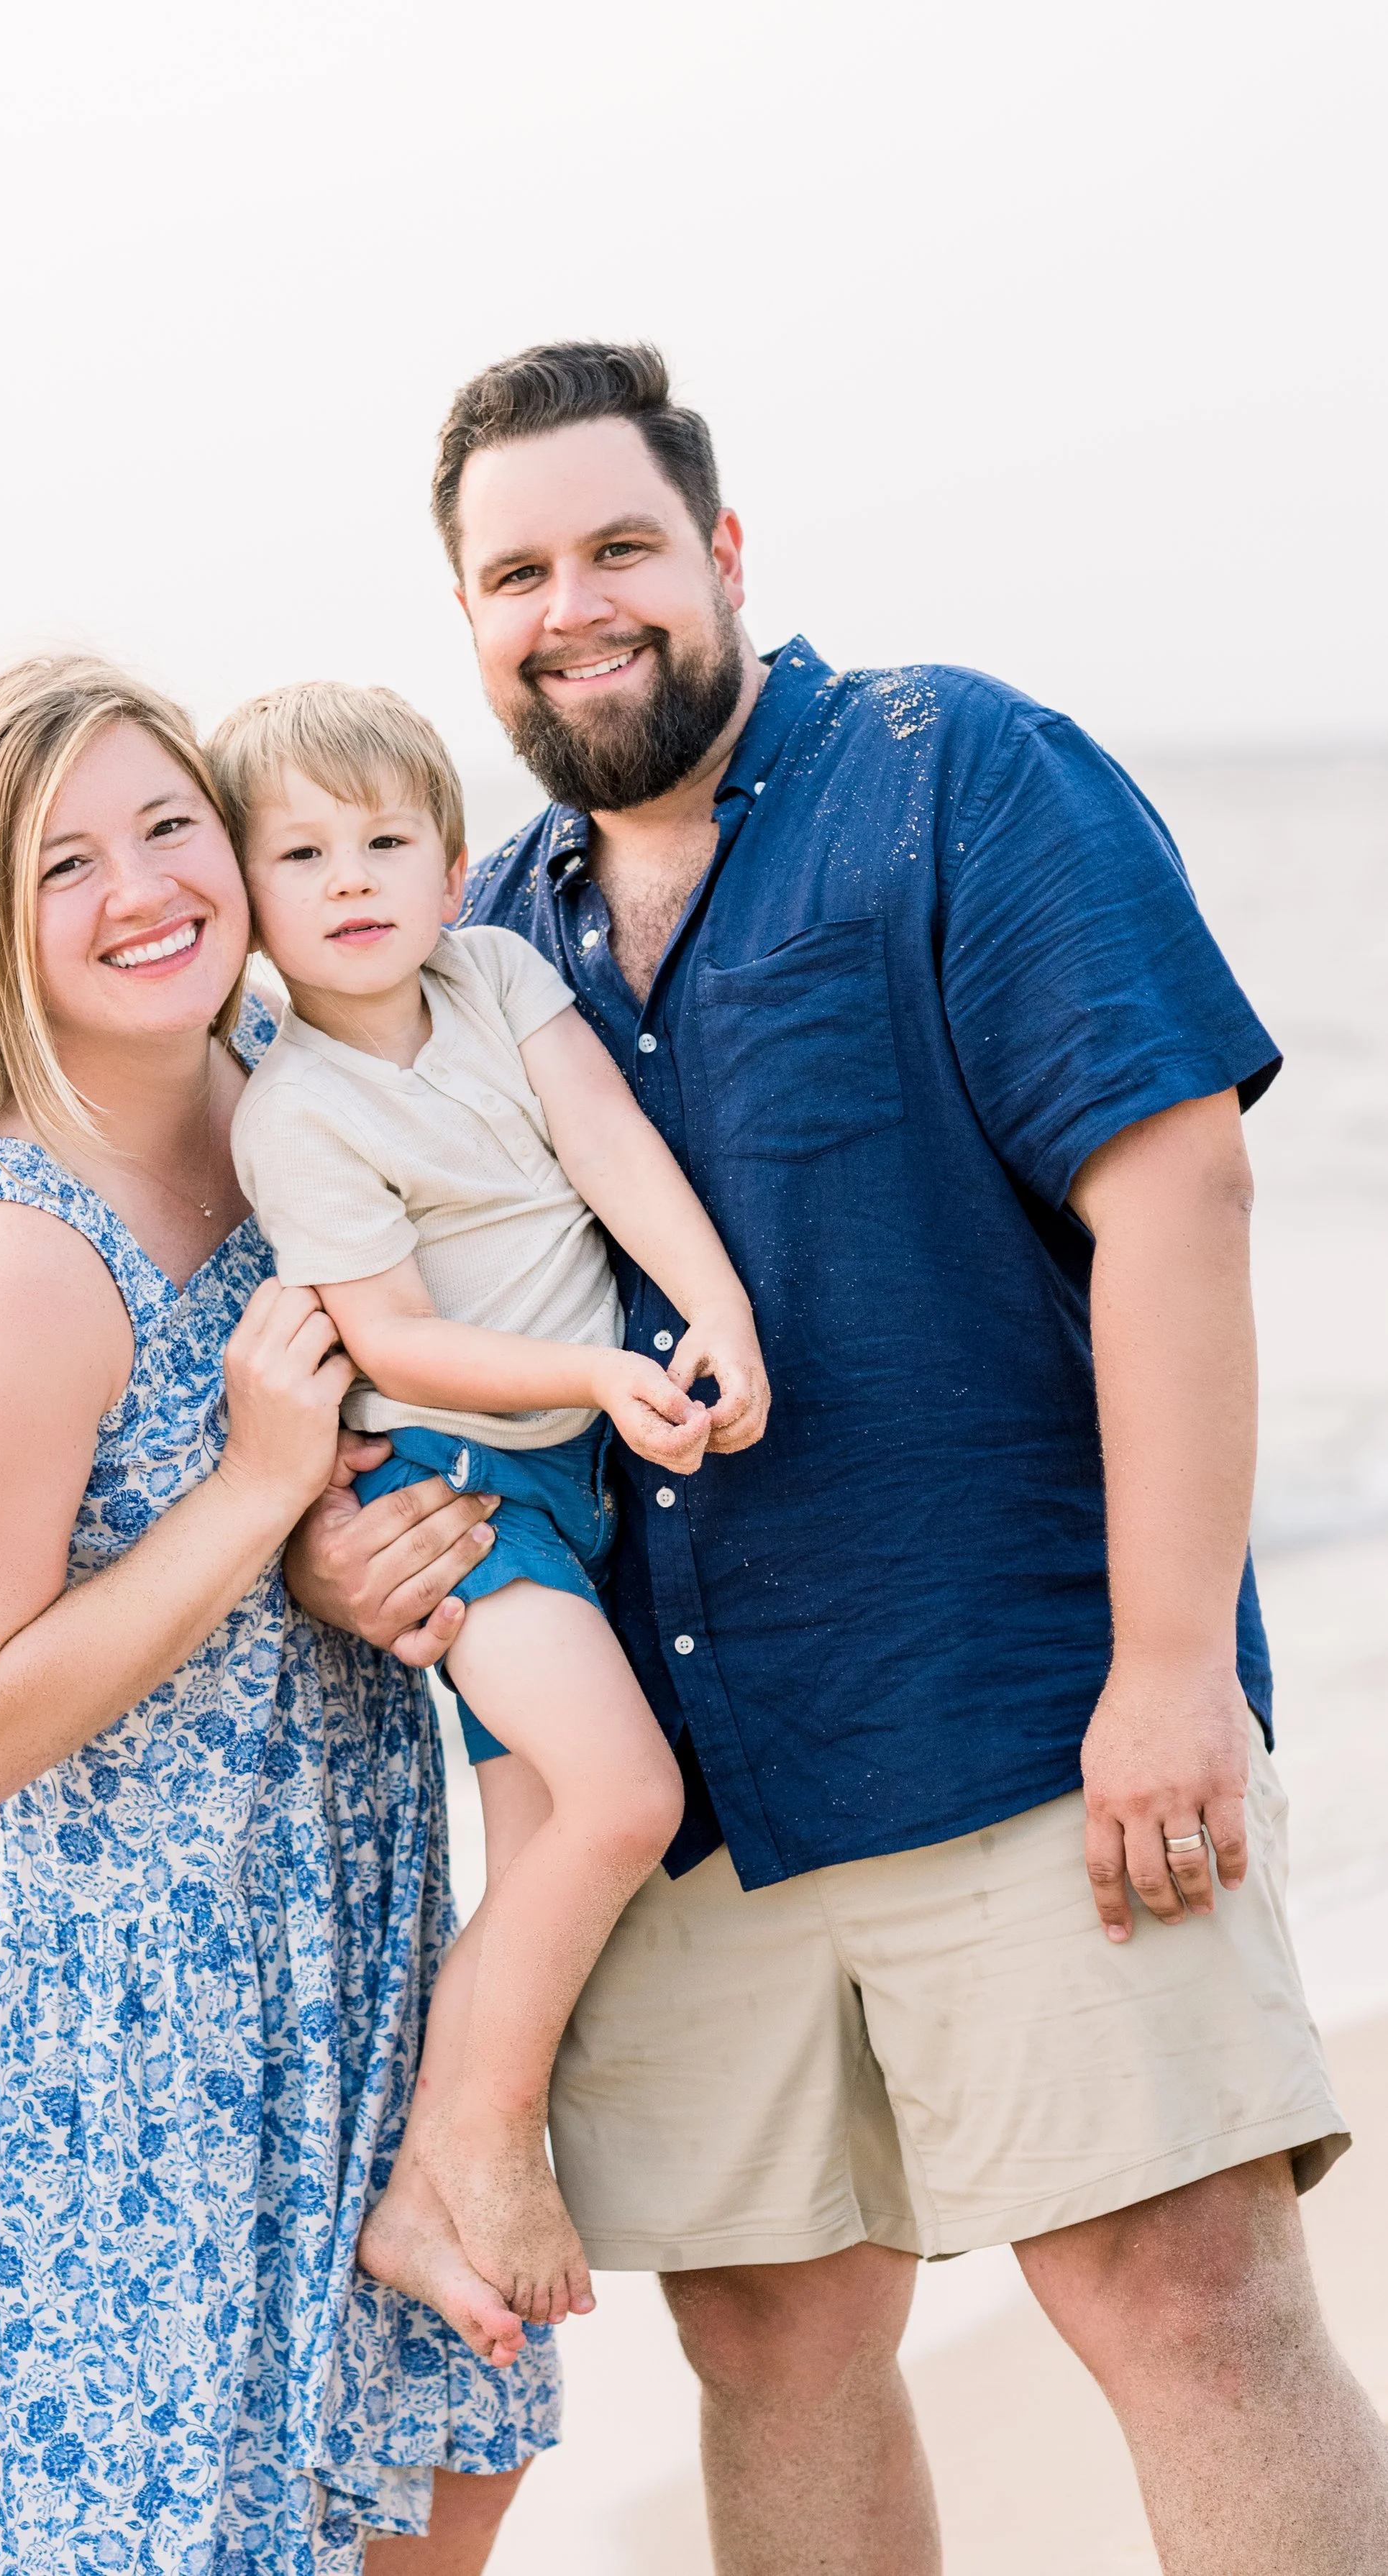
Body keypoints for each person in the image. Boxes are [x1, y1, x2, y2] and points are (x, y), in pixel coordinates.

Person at [288, 344, 1388, 2574]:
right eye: (514, 573)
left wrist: (1171, 1665)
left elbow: (1173, 1193)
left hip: (1021, 1718)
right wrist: (338, 1542)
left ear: (717, 550)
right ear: (470, 622)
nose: (570, 603)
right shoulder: (476, 932)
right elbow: (358, 1314)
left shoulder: (956, 771)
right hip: (693, 1788)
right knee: (773, 2344)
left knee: (1175, 2298)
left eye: (615, 546)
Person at [0, 657, 557, 2576]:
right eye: (65, 861)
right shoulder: (11, 1251)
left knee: (413, 2487)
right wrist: (250, 1493)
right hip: (109, 2022)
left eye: (166, 825)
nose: (141, 887)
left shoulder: (303, 1092)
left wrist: (352, 1545)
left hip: (332, 1931)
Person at [211, 680, 768, 2337]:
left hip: (571, 1475)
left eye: (386, 839)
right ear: (246, 903)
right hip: (453, 1481)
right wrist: (596, 1380)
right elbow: (388, 1338)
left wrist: (711, 1310)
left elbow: (607, 1148)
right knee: (620, 1799)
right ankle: (481, 2133)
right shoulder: (292, 1108)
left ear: (453, 867)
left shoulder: (502, 974)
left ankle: (409, 2201)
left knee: (535, 1853)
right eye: (300, 852)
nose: (352, 875)